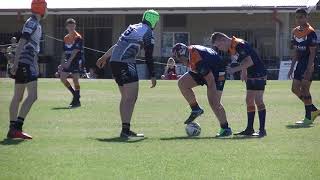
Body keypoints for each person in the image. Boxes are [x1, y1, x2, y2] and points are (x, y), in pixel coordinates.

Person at [96, 10, 159, 139]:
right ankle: (125, 130)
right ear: (154, 21)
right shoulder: (148, 32)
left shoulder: (133, 27)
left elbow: (118, 45)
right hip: (126, 63)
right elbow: (148, 55)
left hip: (115, 62)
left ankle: (125, 130)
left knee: (126, 97)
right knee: (131, 97)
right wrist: (153, 74)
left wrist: (104, 57)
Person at [211, 32, 267, 137]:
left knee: (258, 100)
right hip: (251, 73)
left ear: (223, 39)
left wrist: (234, 69)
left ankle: (262, 130)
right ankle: (250, 129)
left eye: (218, 45)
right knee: (249, 100)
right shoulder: (232, 46)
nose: (219, 48)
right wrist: (244, 71)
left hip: (259, 73)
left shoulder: (238, 44)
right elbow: (244, 59)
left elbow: (250, 61)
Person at [172, 43, 232, 137]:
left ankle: (225, 128)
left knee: (214, 102)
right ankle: (195, 108)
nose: (179, 61)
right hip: (206, 68)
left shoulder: (197, 59)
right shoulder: (191, 53)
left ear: (183, 54)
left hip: (218, 73)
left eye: (179, 58)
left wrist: (212, 96)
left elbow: (210, 80)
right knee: (182, 83)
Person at [7, 0, 47, 139]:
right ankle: (17, 128)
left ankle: (12, 129)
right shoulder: (33, 23)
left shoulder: (34, 22)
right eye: (46, 7)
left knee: (18, 97)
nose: (47, 10)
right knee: (32, 96)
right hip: (26, 63)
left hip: (25, 62)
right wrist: (16, 63)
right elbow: (22, 42)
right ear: (42, 9)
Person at [288, 8, 320, 125]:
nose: (299, 19)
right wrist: (291, 67)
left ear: (306, 17)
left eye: (301, 17)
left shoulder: (311, 32)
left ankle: (308, 118)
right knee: (295, 89)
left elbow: (313, 53)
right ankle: (313, 110)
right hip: (300, 64)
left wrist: (309, 67)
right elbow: (296, 51)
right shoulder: (295, 31)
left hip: (308, 63)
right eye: (297, 17)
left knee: (305, 89)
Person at [59, 18, 84, 108]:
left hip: (77, 60)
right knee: (62, 77)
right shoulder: (65, 38)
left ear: (75, 26)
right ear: (66, 27)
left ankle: (76, 101)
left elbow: (76, 51)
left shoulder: (78, 37)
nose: (71, 28)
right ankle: (75, 95)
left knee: (75, 80)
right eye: (70, 26)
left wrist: (68, 62)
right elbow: (64, 52)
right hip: (68, 61)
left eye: (73, 26)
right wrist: (62, 64)